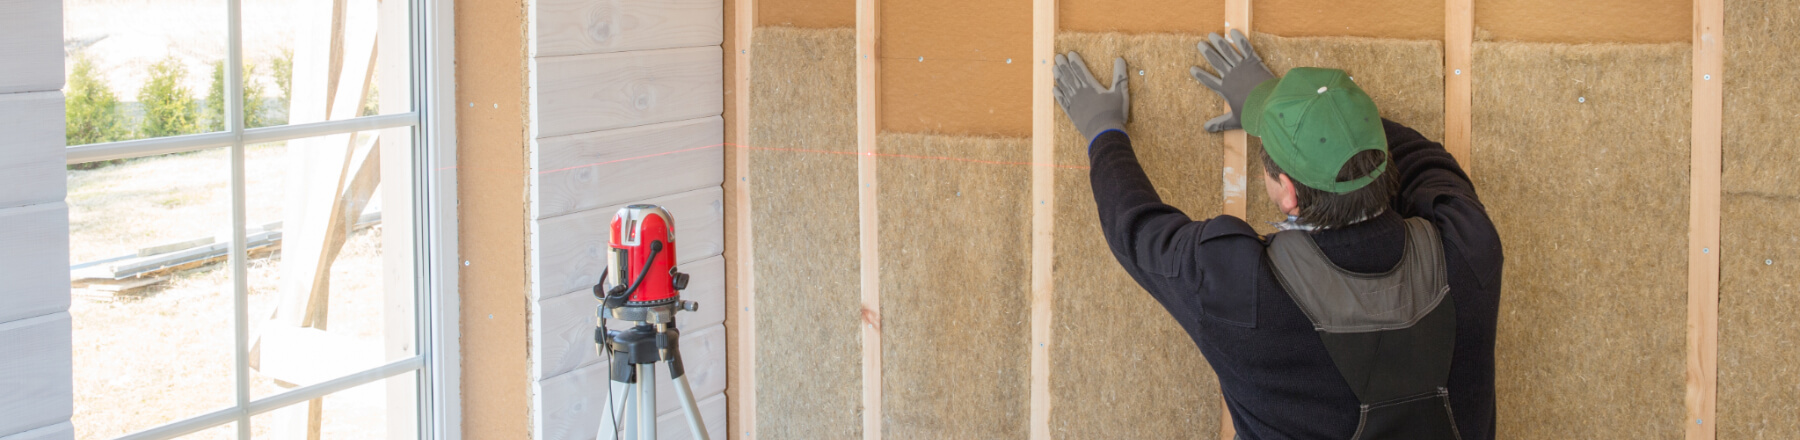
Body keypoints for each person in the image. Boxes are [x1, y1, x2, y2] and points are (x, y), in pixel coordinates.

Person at [1051, 30, 1504, 439]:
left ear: (1287, 192)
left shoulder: (1242, 292)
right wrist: (1299, 117)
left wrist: (1103, 129)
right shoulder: (1468, 248)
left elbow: (1139, 232)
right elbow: (1426, 160)